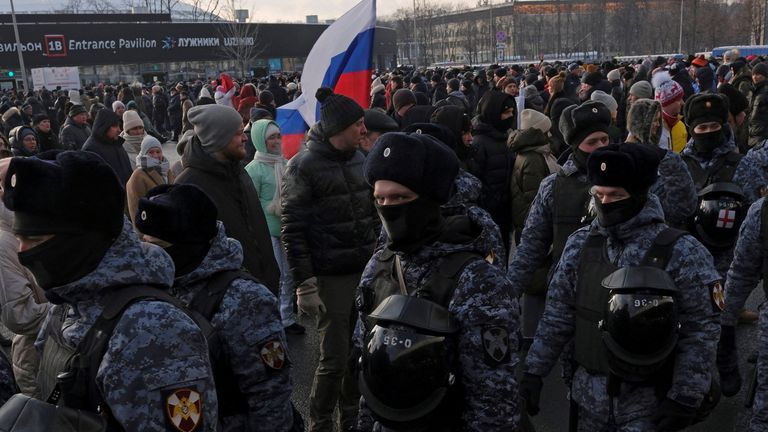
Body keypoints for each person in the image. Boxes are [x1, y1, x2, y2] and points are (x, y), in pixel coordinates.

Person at [2, 150, 218, 430]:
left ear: (83, 239)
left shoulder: (153, 329)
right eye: (19, 238)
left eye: (36, 238)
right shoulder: (68, 302)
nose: (23, 253)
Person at [521, 143, 720, 432]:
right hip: (586, 399)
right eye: (599, 195)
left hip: (647, 403)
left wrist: (685, 396)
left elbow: (701, 329)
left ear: (639, 195)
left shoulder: (681, 251)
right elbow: (558, 314)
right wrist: (534, 371)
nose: (606, 202)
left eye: (616, 195)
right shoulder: (581, 244)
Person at [356, 131, 520, 431]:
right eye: (380, 198)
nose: (388, 207)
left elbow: (493, 399)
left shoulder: (477, 280)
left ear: (432, 200)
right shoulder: (378, 266)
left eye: (401, 198)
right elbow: (369, 373)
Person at [136, 183, 302, 431]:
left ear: (190, 243)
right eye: (144, 244)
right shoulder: (157, 286)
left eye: (158, 246)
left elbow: (269, 394)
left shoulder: (246, 300)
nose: (149, 257)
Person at [281, 88, 378, 431]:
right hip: (330, 277)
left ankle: (350, 417)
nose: (364, 130)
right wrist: (304, 285)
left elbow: (372, 214)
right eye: (358, 125)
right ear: (339, 128)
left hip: (364, 272)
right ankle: (320, 421)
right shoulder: (303, 166)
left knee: (359, 356)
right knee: (334, 359)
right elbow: (292, 230)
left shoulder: (359, 158)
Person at [507, 101, 611, 300]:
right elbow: (531, 246)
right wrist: (508, 295)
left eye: (605, 139)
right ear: (576, 144)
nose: (601, 147)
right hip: (568, 291)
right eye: (592, 142)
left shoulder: (626, 179)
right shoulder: (554, 186)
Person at [175, 104, 281, 294]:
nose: (245, 138)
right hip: (229, 300)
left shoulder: (240, 171)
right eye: (238, 133)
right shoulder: (188, 185)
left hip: (263, 287)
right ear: (218, 139)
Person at [244, 119, 305, 335]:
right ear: (260, 140)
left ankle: (286, 318)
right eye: (271, 137)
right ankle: (272, 319)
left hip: (286, 228)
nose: (276, 141)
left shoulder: (284, 162)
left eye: (278, 136)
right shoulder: (254, 169)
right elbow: (251, 203)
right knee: (276, 275)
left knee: (289, 275)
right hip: (267, 232)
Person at [0, 158, 50, 397]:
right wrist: (72, 310)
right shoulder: (3, 243)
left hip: (59, 350)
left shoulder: (41, 224)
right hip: (37, 360)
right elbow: (19, 315)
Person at [624, 99, 698, 227]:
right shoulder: (627, 156)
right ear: (642, 123)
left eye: (659, 120)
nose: (658, 125)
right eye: (654, 120)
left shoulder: (656, 151)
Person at [469, 90, 516, 251]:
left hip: (504, 212)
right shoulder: (478, 142)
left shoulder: (505, 136)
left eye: (512, 112)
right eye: (506, 112)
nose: (510, 116)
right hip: (488, 214)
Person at [126, 135, 175, 226]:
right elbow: (135, 208)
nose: (156, 155)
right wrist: (142, 234)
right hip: (151, 231)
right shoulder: (138, 176)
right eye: (151, 152)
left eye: (158, 151)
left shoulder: (167, 171)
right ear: (144, 153)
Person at [83, 109, 133, 187]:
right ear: (104, 127)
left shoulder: (116, 142)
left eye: (119, 126)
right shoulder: (91, 149)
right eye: (115, 126)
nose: (119, 130)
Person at [655, 79, 688, 153]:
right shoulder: (654, 129)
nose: (683, 103)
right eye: (679, 99)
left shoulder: (681, 124)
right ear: (667, 103)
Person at [749, 62, 768, 149]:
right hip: (755, 134)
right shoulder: (756, 90)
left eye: (758, 74)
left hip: (762, 136)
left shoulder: (765, 91)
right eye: (753, 74)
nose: (754, 77)